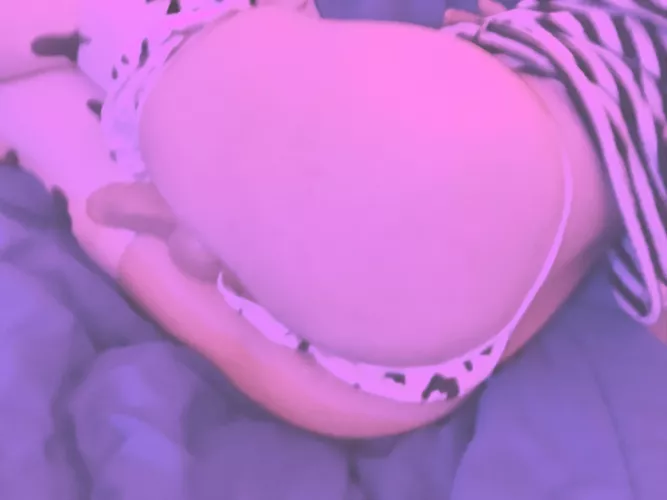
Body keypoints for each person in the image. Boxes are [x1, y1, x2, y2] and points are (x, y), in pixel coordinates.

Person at [1, 0, 665, 435]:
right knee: (356, 402)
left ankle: (85, 55)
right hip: (469, 312)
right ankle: (68, 157)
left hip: (478, 155)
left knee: (185, 39)